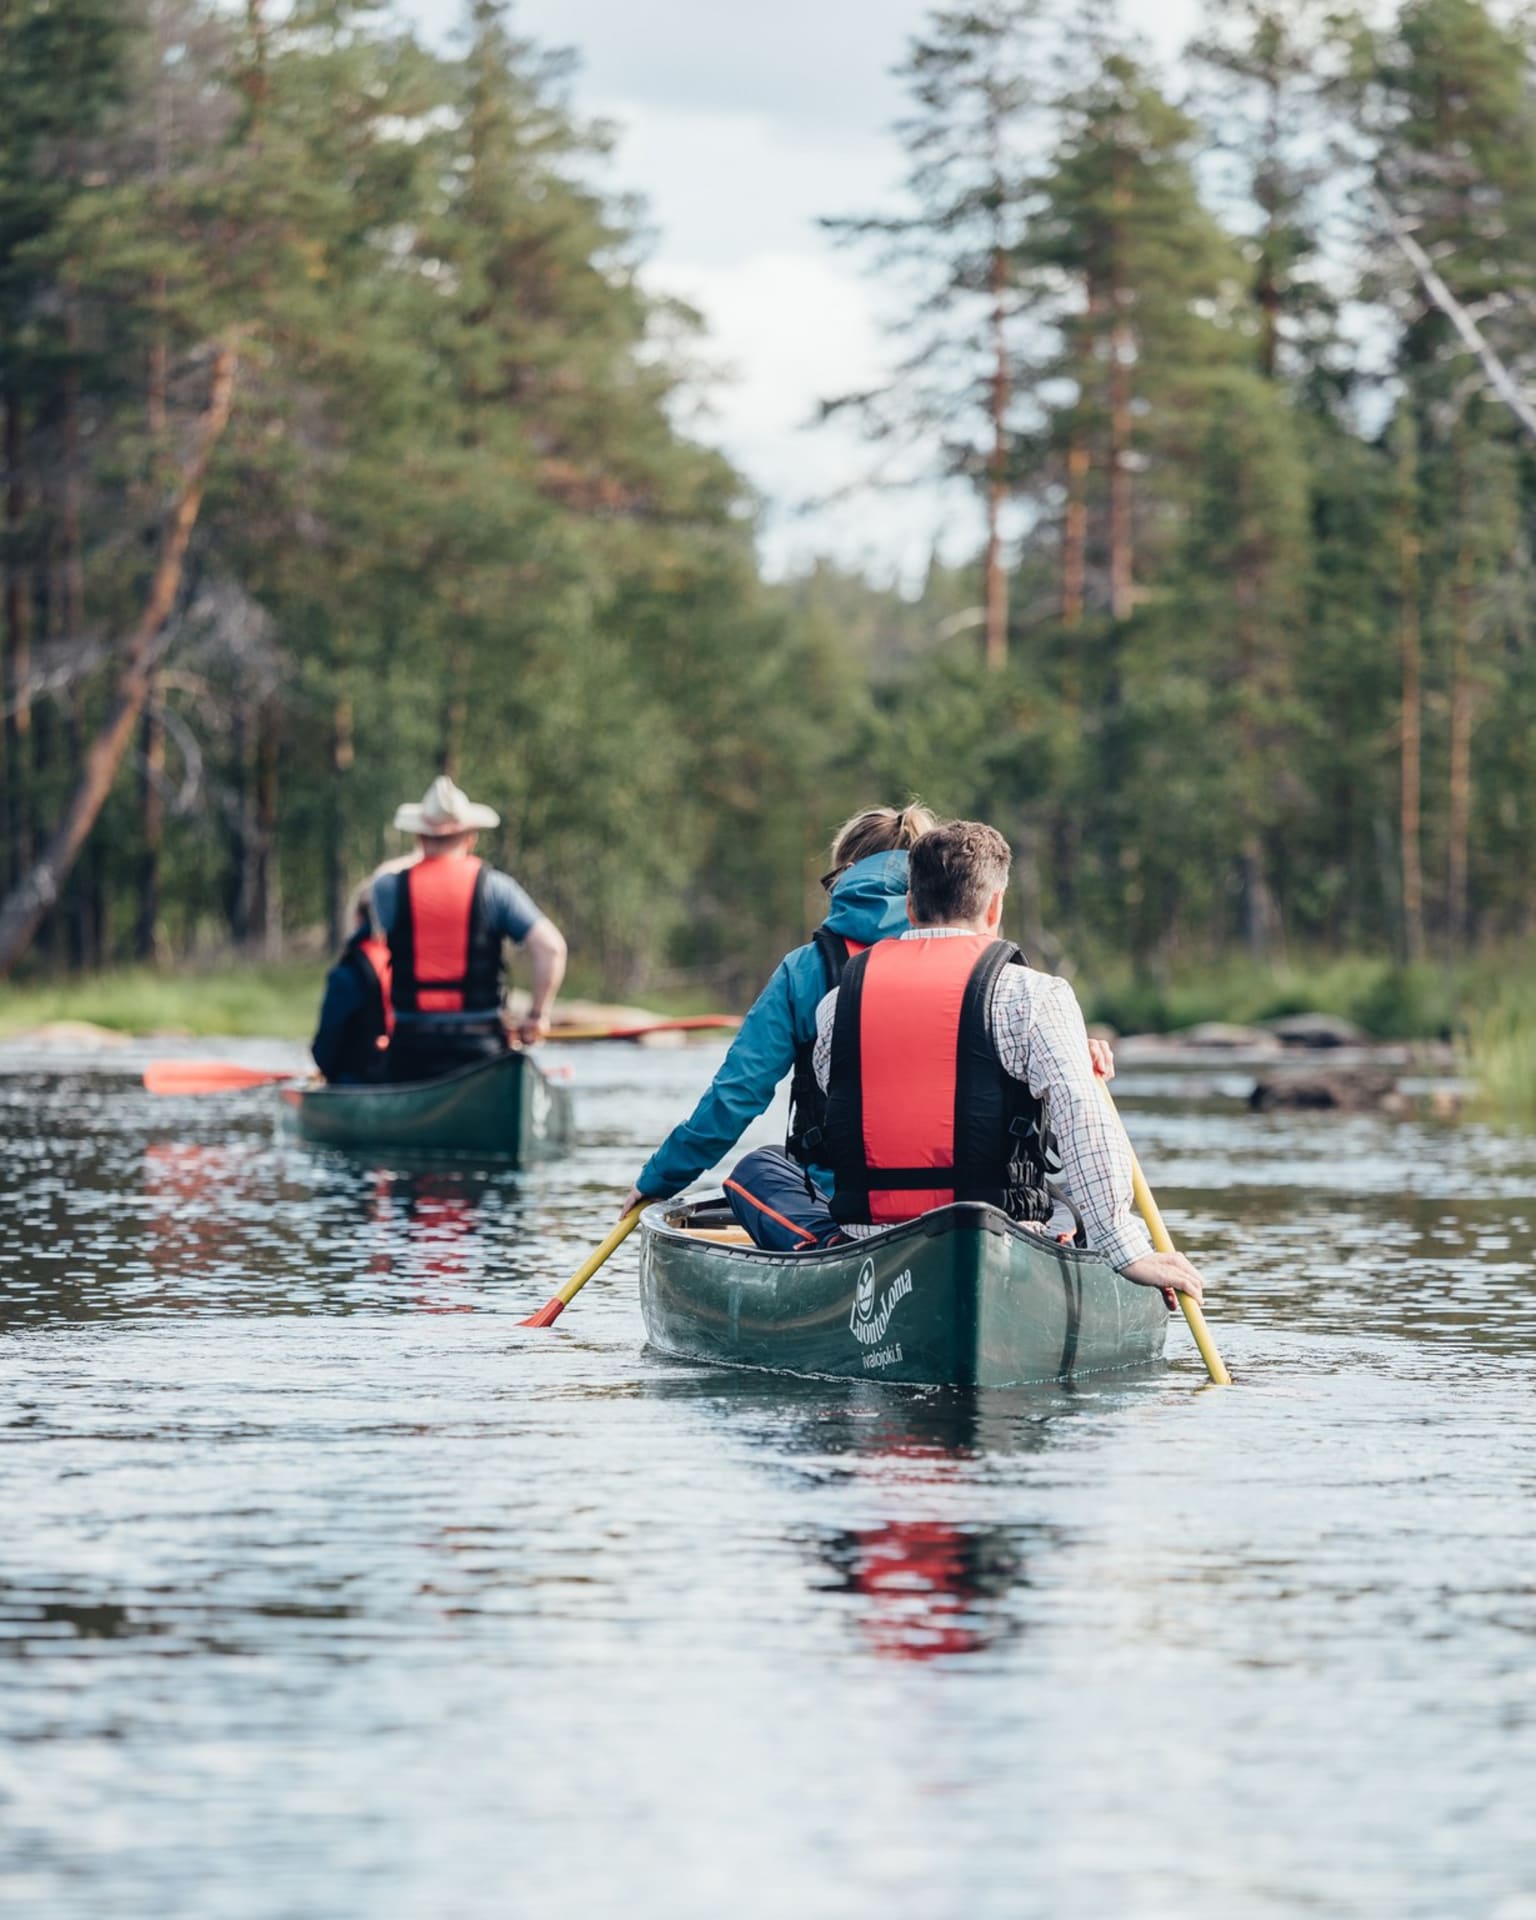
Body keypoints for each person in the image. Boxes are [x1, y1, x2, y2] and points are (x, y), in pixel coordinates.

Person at [723, 819, 1205, 1305]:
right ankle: (1068, 1245)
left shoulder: (838, 1003)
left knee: (758, 1169)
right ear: (995, 905)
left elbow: (837, 1115)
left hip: (867, 1238)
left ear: (910, 907)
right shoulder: (1034, 996)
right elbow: (1084, 1119)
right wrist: (1125, 1249)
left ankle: (835, 1262)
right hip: (1000, 1233)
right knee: (1071, 1201)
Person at [616, 804, 938, 1220]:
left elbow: (736, 1095)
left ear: (847, 874)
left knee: (756, 1170)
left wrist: (657, 1179)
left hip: (840, 1204)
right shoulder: (965, 960)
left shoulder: (804, 970)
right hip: (958, 1199)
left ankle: (821, 1254)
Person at [370, 775, 567, 1084]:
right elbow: (551, 948)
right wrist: (536, 1017)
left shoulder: (387, 888)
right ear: (470, 838)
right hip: (479, 1044)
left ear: (419, 838)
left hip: (411, 1044)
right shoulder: (497, 888)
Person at [310, 859, 414, 1085]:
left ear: (358, 917)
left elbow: (324, 1053)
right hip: (408, 1076)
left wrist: (326, 1071)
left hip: (359, 1082)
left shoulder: (347, 973)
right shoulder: (413, 962)